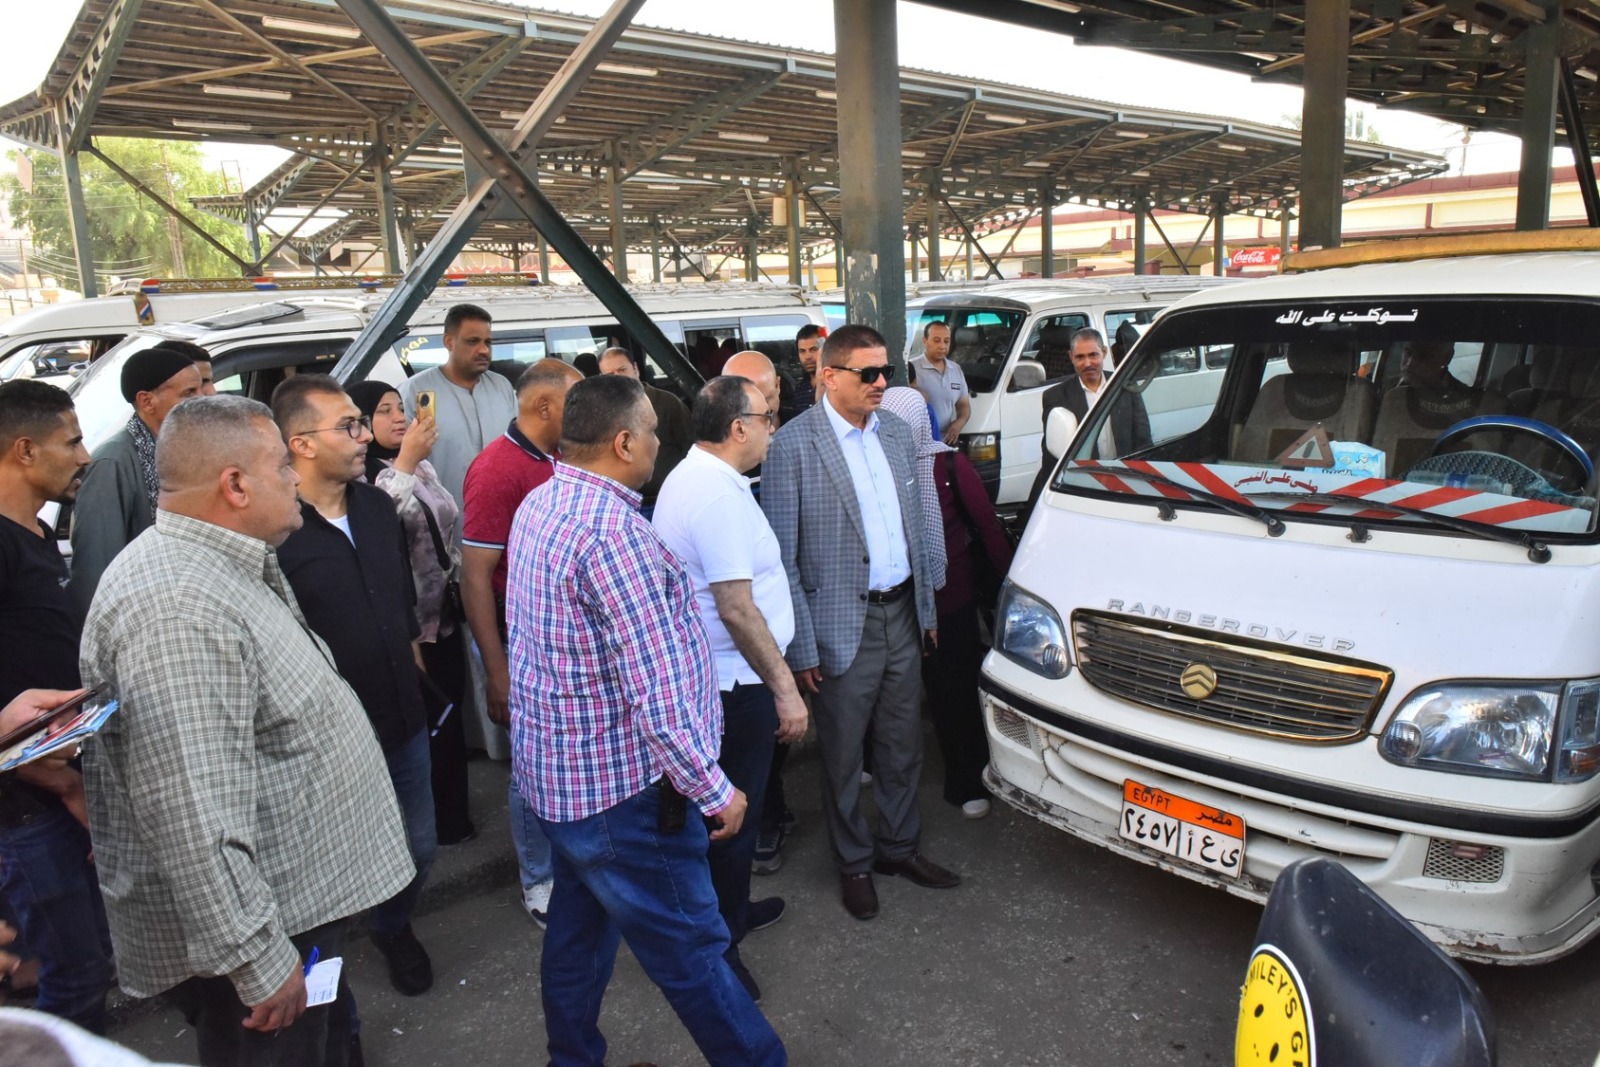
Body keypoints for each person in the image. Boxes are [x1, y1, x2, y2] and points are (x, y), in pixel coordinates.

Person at [78, 395, 414, 1067]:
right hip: (265, 943)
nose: (295, 478)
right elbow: (191, 812)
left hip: (293, 912)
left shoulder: (222, 564)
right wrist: (256, 959)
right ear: (235, 485)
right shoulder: (179, 609)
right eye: (282, 465)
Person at [505, 374, 784, 1067]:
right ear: (625, 442)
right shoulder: (614, 535)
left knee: (577, 938)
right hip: (621, 797)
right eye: (655, 433)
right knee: (694, 953)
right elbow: (656, 698)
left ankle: (572, 1057)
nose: (662, 445)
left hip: (562, 783)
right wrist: (714, 788)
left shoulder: (543, 501)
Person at [761, 324, 960, 922]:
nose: (881, 383)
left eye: (886, 372)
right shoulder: (793, 446)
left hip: (901, 613)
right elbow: (782, 558)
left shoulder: (896, 432)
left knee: (902, 745)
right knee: (845, 756)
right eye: (867, 373)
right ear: (829, 376)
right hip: (839, 625)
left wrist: (924, 608)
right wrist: (801, 648)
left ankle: (899, 847)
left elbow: (916, 526)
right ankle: (853, 862)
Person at [271, 376, 438, 997]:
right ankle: (323, 987)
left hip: (402, 714)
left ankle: (392, 926)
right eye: (349, 426)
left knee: (420, 846)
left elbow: (399, 600)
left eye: (361, 423)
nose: (366, 434)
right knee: (333, 863)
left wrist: (416, 668)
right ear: (301, 444)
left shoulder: (375, 507)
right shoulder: (278, 532)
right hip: (329, 737)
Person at [653, 376, 808, 1003]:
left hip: (726, 680)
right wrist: (785, 690)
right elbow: (737, 609)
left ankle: (732, 915)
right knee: (728, 820)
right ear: (739, 427)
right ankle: (721, 950)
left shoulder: (706, 479)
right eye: (768, 417)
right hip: (733, 686)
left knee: (731, 818)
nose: (774, 427)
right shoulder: (714, 495)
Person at [0, 381, 112, 1035]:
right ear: (24, 450)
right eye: (71, 442)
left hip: (58, 787)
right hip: (25, 808)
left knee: (89, 960)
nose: (84, 457)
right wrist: (61, 783)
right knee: (74, 975)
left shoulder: (37, 532)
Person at [461, 359, 582, 927]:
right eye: (575, 402)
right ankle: (539, 878)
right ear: (543, 406)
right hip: (519, 643)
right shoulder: (496, 469)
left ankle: (572, 864)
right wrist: (497, 670)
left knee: (563, 758)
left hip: (560, 640)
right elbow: (475, 578)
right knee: (530, 768)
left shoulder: (560, 457)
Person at [349, 380, 474, 846]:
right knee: (424, 723)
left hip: (442, 610)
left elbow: (443, 525)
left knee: (450, 714)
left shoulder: (419, 465)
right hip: (408, 623)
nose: (399, 417)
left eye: (399, 407)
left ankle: (453, 821)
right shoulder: (361, 478)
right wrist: (404, 462)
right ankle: (423, 831)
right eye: (384, 411)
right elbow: (379, 524)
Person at [882, 390, 1014, 818]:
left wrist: (1007, 586)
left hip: (949, 600)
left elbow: (987, 528)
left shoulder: (949, 465)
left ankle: (968, 780)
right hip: (898, 602)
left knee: (953, 690)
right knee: (905, 693)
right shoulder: (879, 468)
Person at [68, 345, 203, 616]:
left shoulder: (182, 448)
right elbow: (96, 567)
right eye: (189, 393)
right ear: (147, 401)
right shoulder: (113, 462)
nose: (202, 399)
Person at [399, 303, 517, 509]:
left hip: (501, 512)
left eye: (488, 342)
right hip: (446, 518)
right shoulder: (415, 391)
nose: (484, 350)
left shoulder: (502, 386)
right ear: (449, 342)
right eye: (473, 341)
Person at [597, 347, 693, 515]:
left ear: (635, 368)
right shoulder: (601, 412)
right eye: (610, 374)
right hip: (624, 506)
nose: (618, 377)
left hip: (668, 501)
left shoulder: (668, 403)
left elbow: (692, 448)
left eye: (622, 369)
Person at [1039, 327, 1151, 467]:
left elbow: (1143, 439)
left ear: (1104, 352)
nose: (1087, 363)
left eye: (1093, 355)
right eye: (1080, 357)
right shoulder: (1055, 397)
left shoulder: (1125, 385)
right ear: (1071, 357)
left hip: (1124, 473)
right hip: (1083, 477)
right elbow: (1051, 454)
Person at [911, 322, 972, 445]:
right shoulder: (912, 368)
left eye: (946, 341)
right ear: (925, 341)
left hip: (945, 443)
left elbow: (963, 405)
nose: (942, 346)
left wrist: (959, 423)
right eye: (937, 340)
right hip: (919, 444)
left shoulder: (956, 369)